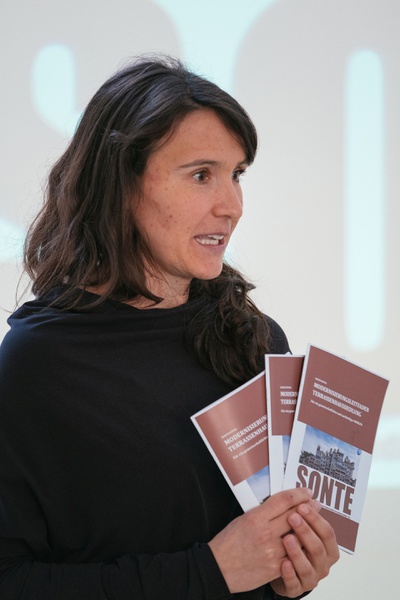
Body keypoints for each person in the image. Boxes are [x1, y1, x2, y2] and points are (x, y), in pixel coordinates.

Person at [0, 55, 339, 599]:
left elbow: (267, 560)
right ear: (121, 183)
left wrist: (294, 572)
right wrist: (210, 572)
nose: (232, 206)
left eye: (237, 175)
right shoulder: (35, 365)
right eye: (202, 175)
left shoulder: (255, 339)